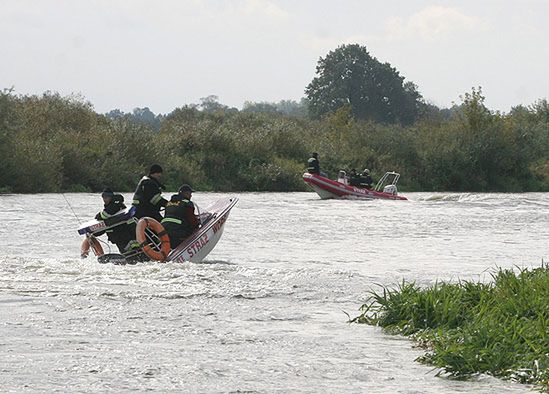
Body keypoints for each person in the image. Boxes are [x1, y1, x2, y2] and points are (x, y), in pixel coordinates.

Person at [95, 188, 136, 254]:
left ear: (111, 197)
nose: (104, 199)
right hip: (120, 234)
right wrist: (95, 233)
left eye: (106, 197)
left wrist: (97, 216)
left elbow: (105, 215)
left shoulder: (115, 204)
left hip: (123, 233)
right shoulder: (114, 204)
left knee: (129, 249)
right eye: (103, 197)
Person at [161, 184, 200, 249]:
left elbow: (174, 215)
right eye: (189, 193)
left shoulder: (169, 203)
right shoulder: (187, 203)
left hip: (165, 231)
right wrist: (197, 224)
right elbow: (191, 219)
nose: (191, 195)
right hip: (178, 232)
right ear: (185, 193)